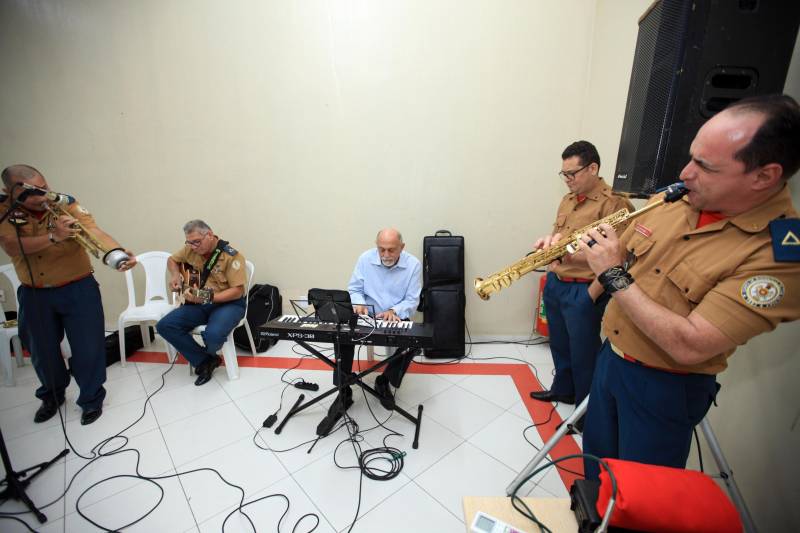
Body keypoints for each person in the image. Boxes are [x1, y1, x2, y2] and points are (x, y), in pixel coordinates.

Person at [576, 94, 800, 479]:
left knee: (643, 496)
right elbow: (617, 251)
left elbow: (691, 343)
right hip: (611, 359)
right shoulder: (675, 199)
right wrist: (565, 253)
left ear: (764, 176)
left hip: (664, 386)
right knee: (596, 471)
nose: (685, 172)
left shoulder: (779, 256)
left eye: (705, 166)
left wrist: (613, 277)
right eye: (691, 156)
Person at [0, 164, 137, 425]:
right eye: (32, 193)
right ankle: (52, 395)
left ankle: (91, 399)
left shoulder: (65, 205)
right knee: (41, 351)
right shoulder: (5, 211)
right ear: (10, 191)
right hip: (35, 293)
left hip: (78, 288)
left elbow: (94, 232)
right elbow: (11, 245)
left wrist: (116, 254)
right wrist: (54, 236)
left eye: (44, 187)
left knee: (88, 348)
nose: (42, 196)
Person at [530, 141, 633, 432]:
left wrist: (589, 297)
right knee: (560, 344)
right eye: (563, 174)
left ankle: (585, 414)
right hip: (558, 282)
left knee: (584, 353)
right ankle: (563, 388)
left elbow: (619, 258)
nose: (568, 179)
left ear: (593, 168)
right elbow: (559, 236)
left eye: (572, 173)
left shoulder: (615, 204)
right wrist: (549, 260)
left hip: (585, 289)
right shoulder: (568, 199)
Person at [316, 228, 422, 436]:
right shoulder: (365, 259)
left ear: (402, 247)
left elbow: (412, 300)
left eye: (391, 250)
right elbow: (354, 289)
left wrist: (395, 311)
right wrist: (360, 304)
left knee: (411, 343)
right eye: (381, 249)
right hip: (366, 314)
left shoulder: (413, 265)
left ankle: (385, 380)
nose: (385, 255)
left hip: (395, 315)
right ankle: (344, 390)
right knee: (342, 336)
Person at [156, 220, 247, 386]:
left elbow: (237, 291)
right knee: (165, 325)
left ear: (210, 235)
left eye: (197, 242)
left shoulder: (231, 256)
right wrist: (175, 275)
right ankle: (205, 361)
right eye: (189, 242)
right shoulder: (191, 248)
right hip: (201, 303)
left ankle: (207, 355)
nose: (193, 247)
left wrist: (207, 298)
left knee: (213, 336)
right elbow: (172, 260)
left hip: (229, 304)